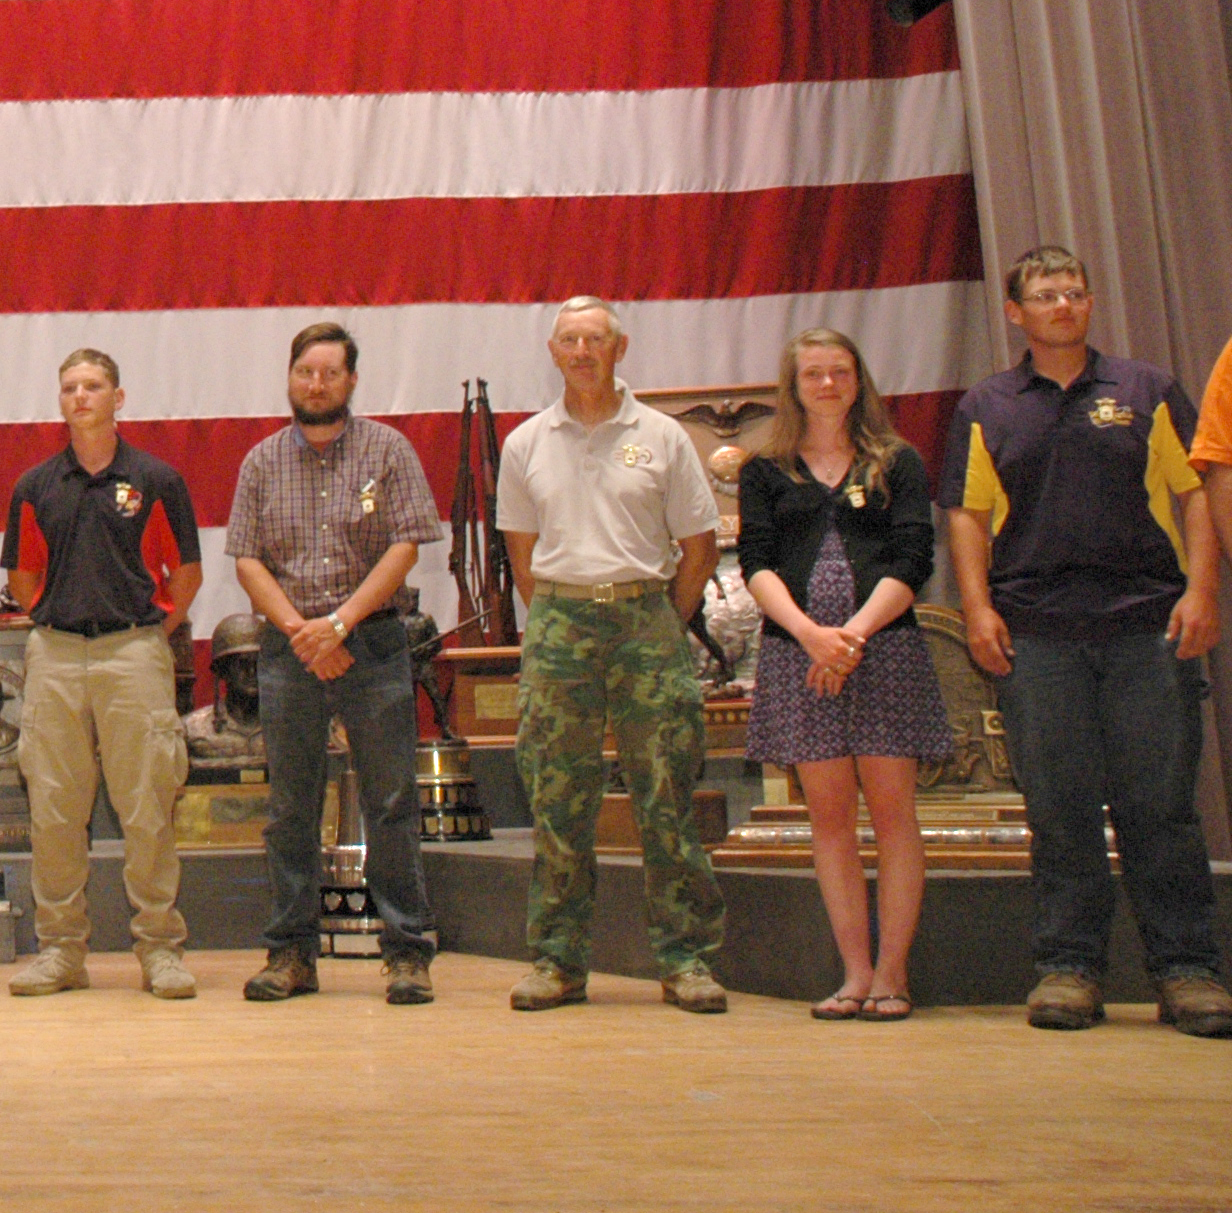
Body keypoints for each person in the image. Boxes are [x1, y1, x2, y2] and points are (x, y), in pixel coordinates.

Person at [940, 247, 1230, 1037]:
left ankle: (1189, 971)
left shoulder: (1145, 389)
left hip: (1147, 625)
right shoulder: (986, 405)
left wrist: (1202, 592)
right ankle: (1067, 968)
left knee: (1161, 809)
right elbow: (965, 515)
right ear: (1016, 313)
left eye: (1073, 292)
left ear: (1090, 302)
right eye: (1044, 294)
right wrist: (976, 609)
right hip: (1036, 635)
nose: (1062, 305)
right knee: (1060, 809)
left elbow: (1193, 493)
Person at [495, 297, 727, 1014]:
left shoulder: (661, 437)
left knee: (665, 798)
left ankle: (685, 960)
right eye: (571, 340)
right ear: (553, 350)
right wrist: (567, 611)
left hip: (645, 621)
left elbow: (699, 546)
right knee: (559, 799)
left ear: (619, 349)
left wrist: (657, 617)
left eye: (596, 339)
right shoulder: (526, 443)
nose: (583, 351)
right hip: (561, 622)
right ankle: (557, 961)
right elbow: (522, 558)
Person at [226, 322, 444, 1007]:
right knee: (290, 808)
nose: (315, 384)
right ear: (289, 379)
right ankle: (290, 954)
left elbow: (406, 545)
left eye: (329, 373)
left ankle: (407, 953)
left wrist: (341, 623)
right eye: (304, 372)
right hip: (290, 651)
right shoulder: (260, 462)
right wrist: (301, 632)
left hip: (374, 644)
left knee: (390, 802)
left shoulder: (389, 449)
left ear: (352, 381)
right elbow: (247, 558)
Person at [737, 329, 950, 1021]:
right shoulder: (766, 469)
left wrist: (852, 637)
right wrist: (810, 637)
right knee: (828, 819)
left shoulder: (898, 461)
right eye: (814, 375)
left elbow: (915, 557)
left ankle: (894, 974)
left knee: (893, 816)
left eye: (840, 372)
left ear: (860, 380)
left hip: (884, 650)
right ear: (792, 386)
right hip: (796, 656)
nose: (828, 385)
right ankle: (854, 973)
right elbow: (757, 563)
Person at [0, 348, 201, 1001]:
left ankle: (161, 949)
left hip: (135, 655)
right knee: (55, 809)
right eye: (69, 388)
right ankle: (60, 950)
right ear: (60, 401)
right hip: (55, 656)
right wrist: (57, 624)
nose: (80, 397)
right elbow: (22, 577)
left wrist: (150, 635)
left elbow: (186, 575)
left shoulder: (157, 479)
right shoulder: (34, 487)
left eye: (93, 386)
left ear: (119, 397)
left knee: (148, 806)